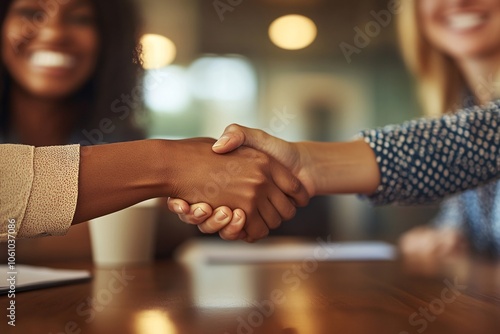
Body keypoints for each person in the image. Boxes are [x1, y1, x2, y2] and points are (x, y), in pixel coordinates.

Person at [169, 0, 500, 259]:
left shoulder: (479, 127)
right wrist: (448, 233)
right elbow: (471, 178)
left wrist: (308, 164)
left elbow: (481, 140)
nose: (460, 0)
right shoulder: (465, 104)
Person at [0, 0, 309, 244]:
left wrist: (192, 199)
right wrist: (169, 164)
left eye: (81, 18)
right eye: (31, 12)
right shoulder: (145, 154)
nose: (54, 32)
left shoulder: (117, 133)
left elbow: (165, 232)